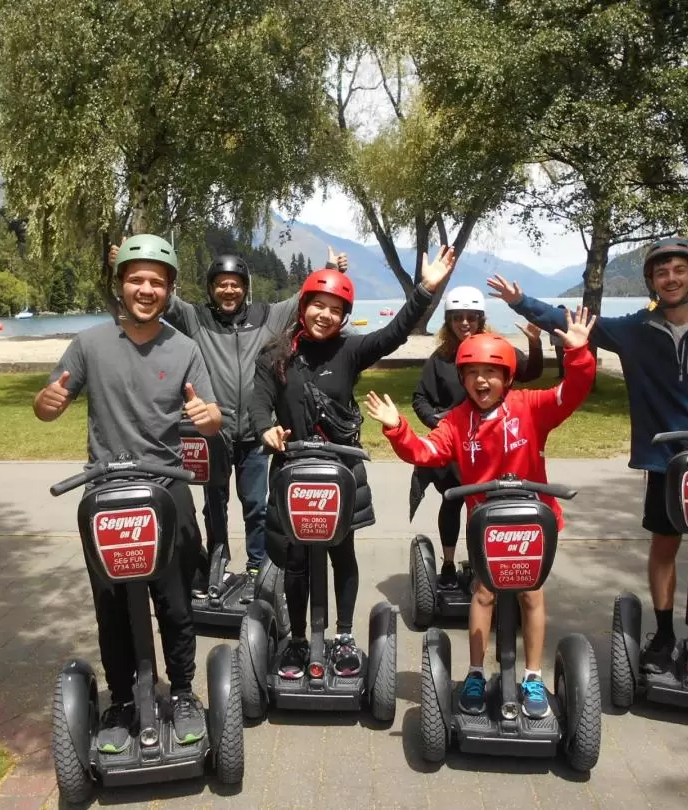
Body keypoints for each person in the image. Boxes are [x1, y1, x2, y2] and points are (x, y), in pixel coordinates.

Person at [489, 237, 688, 686]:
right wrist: (520, 301)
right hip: (665, 459)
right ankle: (662, 634)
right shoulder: (637, 329)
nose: (671, 278)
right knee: (664, 544)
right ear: (652, 281)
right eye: (662, 273)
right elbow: (573, 322)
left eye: (679, 271)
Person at [33, 233, 221, 751]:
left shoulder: (184, 348)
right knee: (112, 605)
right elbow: (50, 404)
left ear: (169, 290)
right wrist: (46, 403)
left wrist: (209, 417)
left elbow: (211, 416)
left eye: (156, 282)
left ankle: (182, 692)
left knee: (177, 603)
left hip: (167, 488)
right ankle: (119, 699)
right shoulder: (88, 344)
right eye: (136, 279)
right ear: (120, 285)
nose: (145, 289)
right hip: (108, 493)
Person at [366, 314, 597, 717]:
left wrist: (577, 353)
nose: (481, 381)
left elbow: (573, 391)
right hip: (486, 526)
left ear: (508, 376)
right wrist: (397, 428)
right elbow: (425, 453)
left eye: (491, 372)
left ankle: (532, 677)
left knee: (530, 593)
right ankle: (475, 672)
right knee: (484, 593)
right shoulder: (457, 421)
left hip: (531, 522)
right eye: (472, 373)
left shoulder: (531, 407)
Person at [252, 246, 458, 679]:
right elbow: (258, 405)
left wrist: (426, 289)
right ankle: (297, 641)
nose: (325, 315)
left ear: (344, 316)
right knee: (294, 560)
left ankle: (343, 636)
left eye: (335, 310)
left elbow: (396, 332)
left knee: (340, 553)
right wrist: (265, 431)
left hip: (340, 470)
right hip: (292, 471)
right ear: (303, 307)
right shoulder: (274, 356)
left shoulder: (350, 351)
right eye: (318, 306)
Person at [106, 244, 348, 601]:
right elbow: (161, 296)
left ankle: (257, 566)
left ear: (246, 286)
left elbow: (308, 298)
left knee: (255, 503)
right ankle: (218, 562)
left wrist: (331, 269)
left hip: (253, 433)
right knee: (213, 504)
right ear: (210, 288)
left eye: (235, 283)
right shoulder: (196, 319)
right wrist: (128, 259)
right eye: (221, 284)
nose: (228, 290)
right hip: (212, 433)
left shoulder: (269, 315)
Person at [410, 285, 544, 589]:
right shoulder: (440, 359)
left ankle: (486, 561)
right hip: (455, 445)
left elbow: (531, 372)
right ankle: (447, 563)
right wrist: (437, 423)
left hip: (493, 446)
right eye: (457, 317)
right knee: (453, 503)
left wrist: (535, 345)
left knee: (489, 505)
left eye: (471, 317)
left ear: (481, 319)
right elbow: (420, 398)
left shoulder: (497, 348)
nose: (465, 323)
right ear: (448, 321)